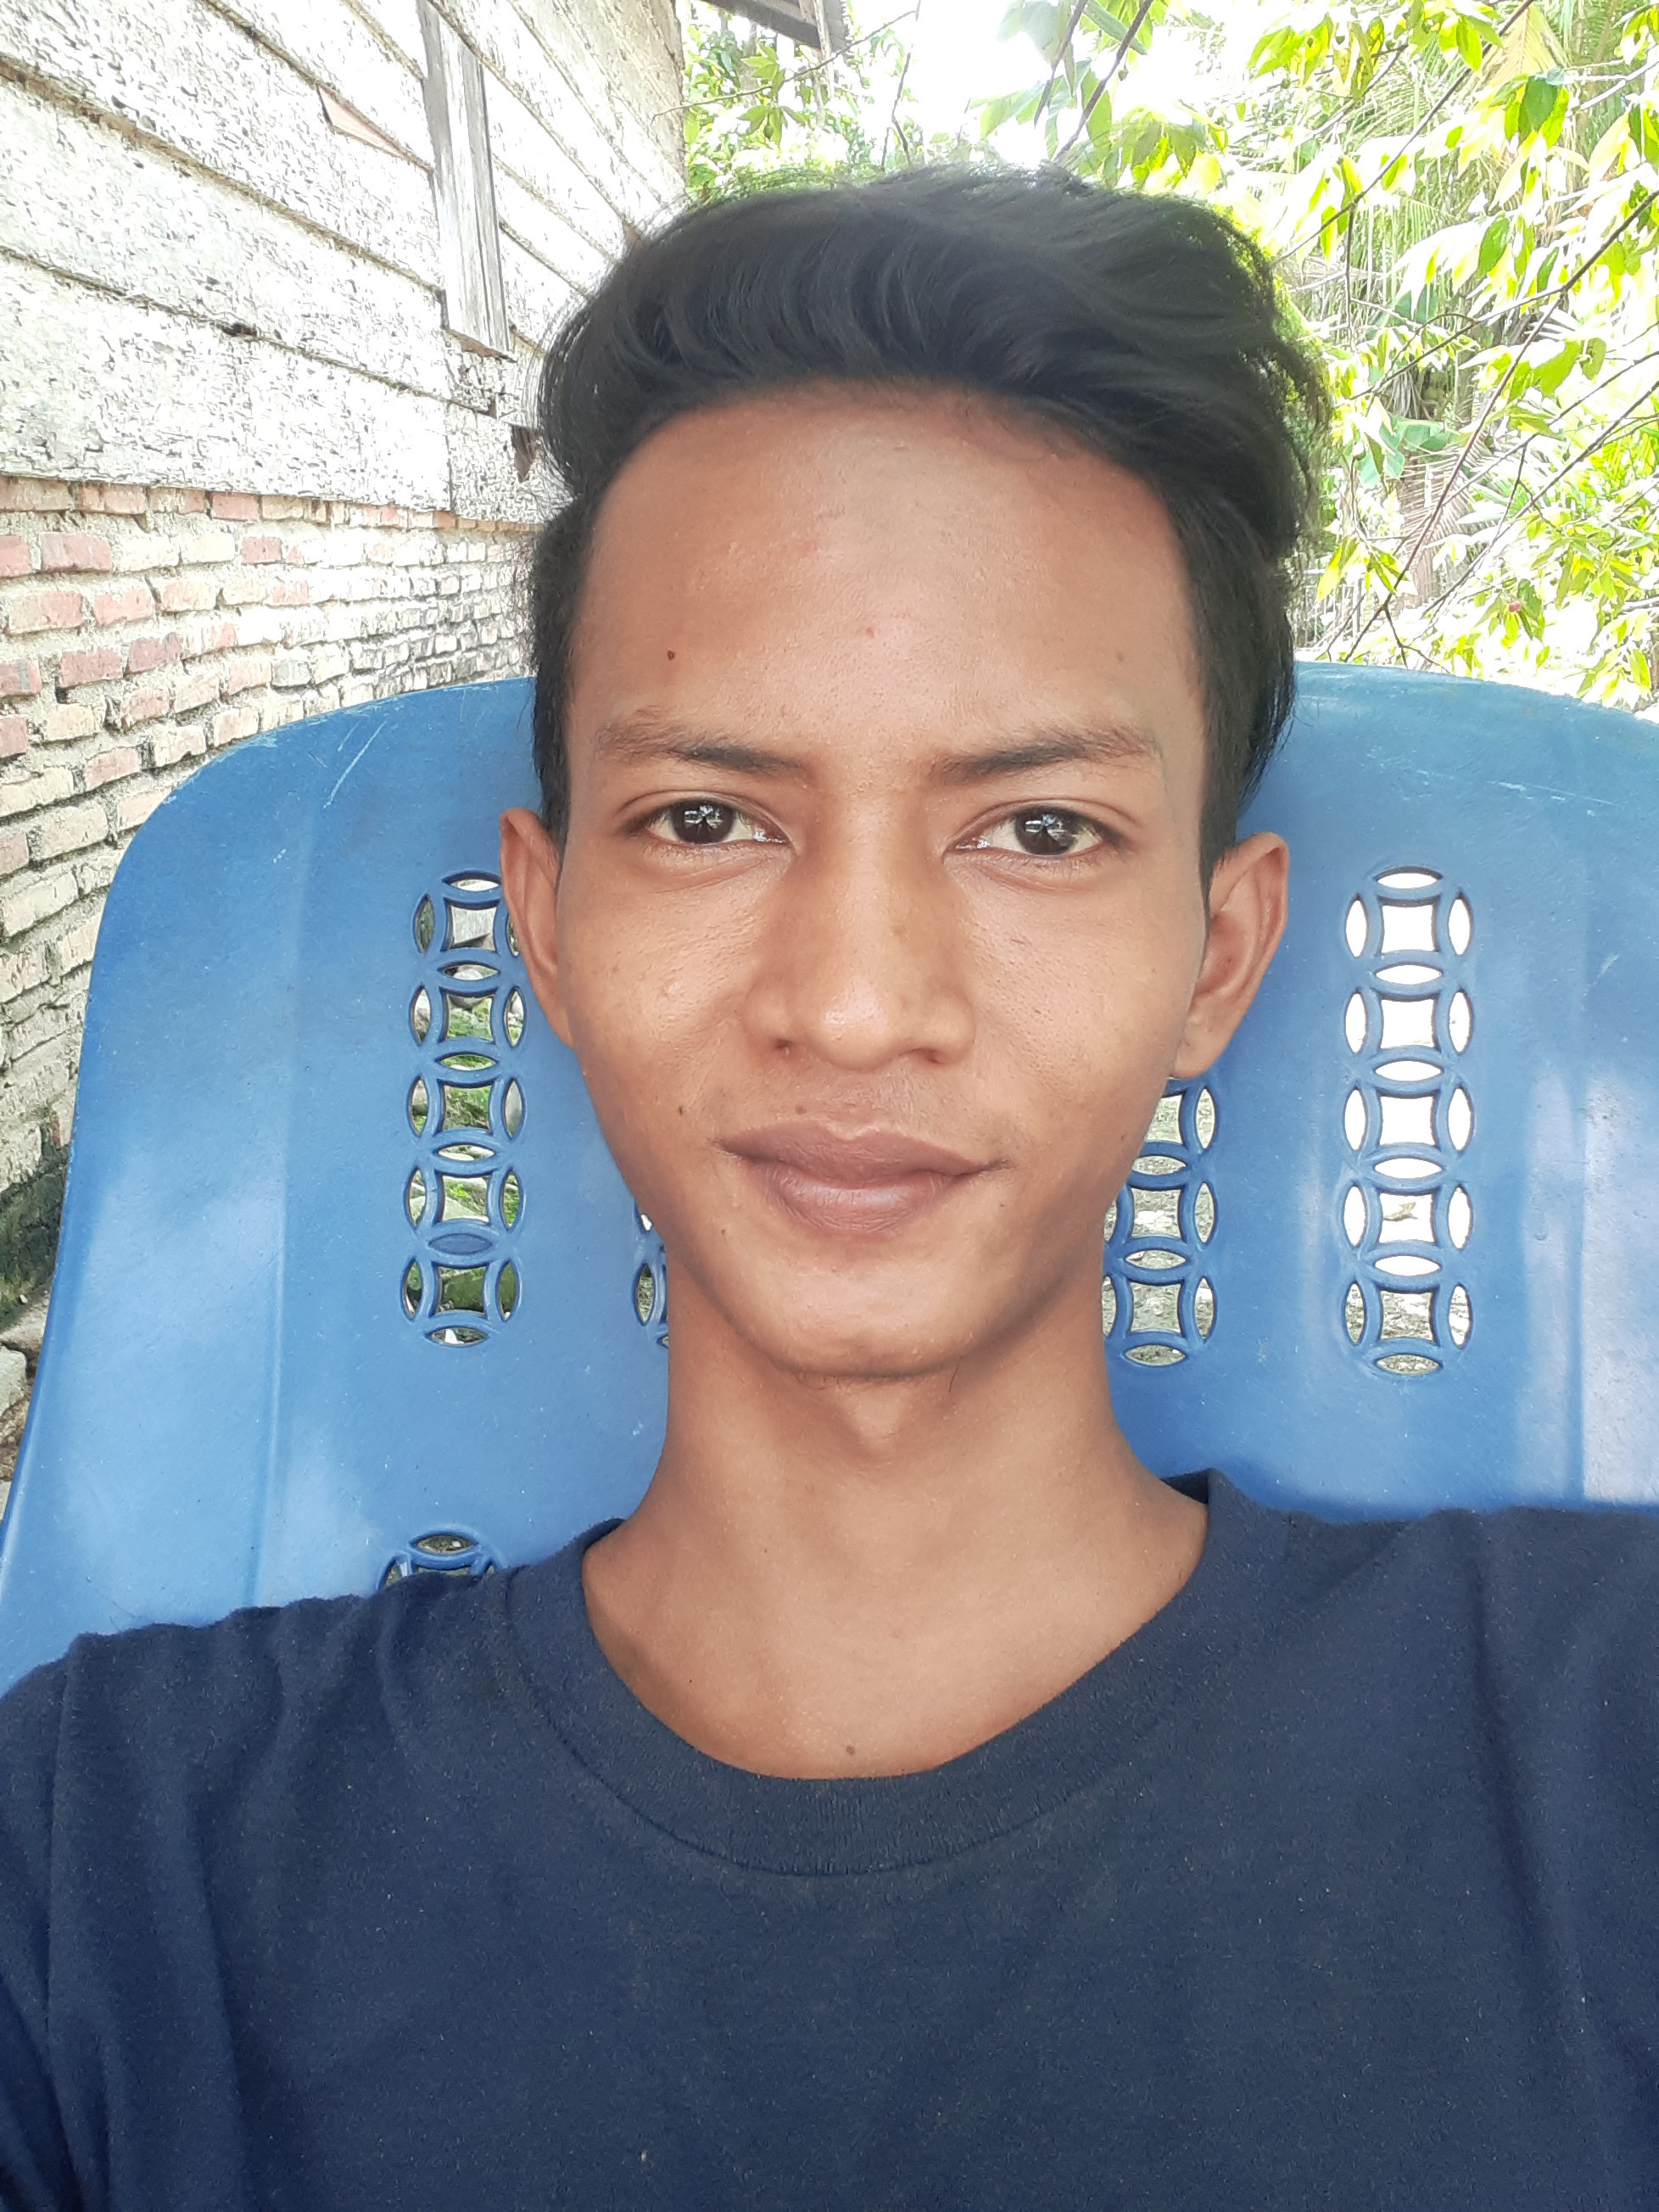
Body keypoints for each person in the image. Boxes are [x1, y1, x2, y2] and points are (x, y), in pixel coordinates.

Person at [0, 168, 1655, 2209]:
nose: (859, 1004)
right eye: (709, 817)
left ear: (1218, 957)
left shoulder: (1609, 1748)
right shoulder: (107, 1863)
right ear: (547, 928)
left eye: (1039, 829)